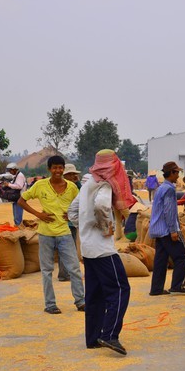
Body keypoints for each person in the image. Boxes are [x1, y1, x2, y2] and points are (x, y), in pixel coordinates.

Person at [69, 150, 134, 355]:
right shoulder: (104, 185)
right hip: (103, 249)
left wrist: (85, 226)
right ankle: (109, 335)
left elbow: (72, 212)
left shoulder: (88, 184)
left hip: (88, 249)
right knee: (120, 290)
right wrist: (106, 227)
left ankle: (93, 338)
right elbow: (101, 206)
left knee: (95, 295)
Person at [18, 156, 85, 314]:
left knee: (74, 269)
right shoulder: (40, 185)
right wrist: (38, 215)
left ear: (63, 169)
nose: (58, 171)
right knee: (47, 271)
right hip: (45, 234)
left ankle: (81, 301)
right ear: (49, 169)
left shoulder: (72, 187)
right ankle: (50, 304)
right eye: (54, 168)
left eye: (60, 168)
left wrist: (71, 215)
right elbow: (21, 201)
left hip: (65, 233)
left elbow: (80, 204)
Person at [149, 161, 185, 296]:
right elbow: (169, 211)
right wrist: (173, 230)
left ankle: (156, 289)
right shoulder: (169, 189)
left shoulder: (160, 188)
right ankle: (177, 285)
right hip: (167, 230)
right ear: (171, 173)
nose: (178, 176)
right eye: (177, 172)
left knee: (161, 260)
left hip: (158, 229)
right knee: (183, 256)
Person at [58, 164, 82, 282]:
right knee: (66, 248)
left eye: (74, 174)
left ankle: (66, 273)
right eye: (70, 174)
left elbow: (82, 196)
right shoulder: (64, 188)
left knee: (68, 247)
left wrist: (77, 183)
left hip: (71, 222)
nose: (73, 176)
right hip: (65, 222)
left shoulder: (73, 187)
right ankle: (64, 274)